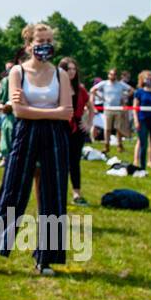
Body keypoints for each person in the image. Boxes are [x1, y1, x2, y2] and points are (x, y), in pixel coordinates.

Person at [0, 23, 73, 275]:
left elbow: (67, 113)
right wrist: (50, 111)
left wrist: (36, 110)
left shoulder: (60, 74)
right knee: (12, 191)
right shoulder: (17, 72)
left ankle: (45, 258)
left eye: (48, 40)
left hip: (55, 137)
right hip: (25, 133)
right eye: (40, 40)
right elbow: (19, 111)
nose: (45, 45)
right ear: (28, 44)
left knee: (53, 194)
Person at [59, 57, 89, 205]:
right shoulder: (56, 87)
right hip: (60, 126)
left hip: (77, 128)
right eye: (68, 69)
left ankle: (77, 193)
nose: (71, 72)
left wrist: (87, 123)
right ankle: (59, 192)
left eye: (73, 69)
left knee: (74, 162)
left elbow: (91, 107)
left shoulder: (80, 89)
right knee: (59, 161)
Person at [90, 68, 132, 155]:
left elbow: (132, 90)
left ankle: (120, 146)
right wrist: (101, 98)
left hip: (118, 109)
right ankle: (106, 146)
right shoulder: (104, 83)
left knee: (118, 128)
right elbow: (92, 90)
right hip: (107, 109)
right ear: (108, 75)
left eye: (114, 74)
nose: (112, 76)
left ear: (116, 76)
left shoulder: (120, 84)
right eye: (111, 74)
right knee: (107, 129)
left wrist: (125, 97)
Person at [131, 70, 151, 175]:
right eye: (146, 77)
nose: (148, 79)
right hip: (142, 120)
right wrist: (136, 121)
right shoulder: (139, 92)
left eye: (150, 77)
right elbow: (135, 107)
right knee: (143, 145)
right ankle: (142, 169)